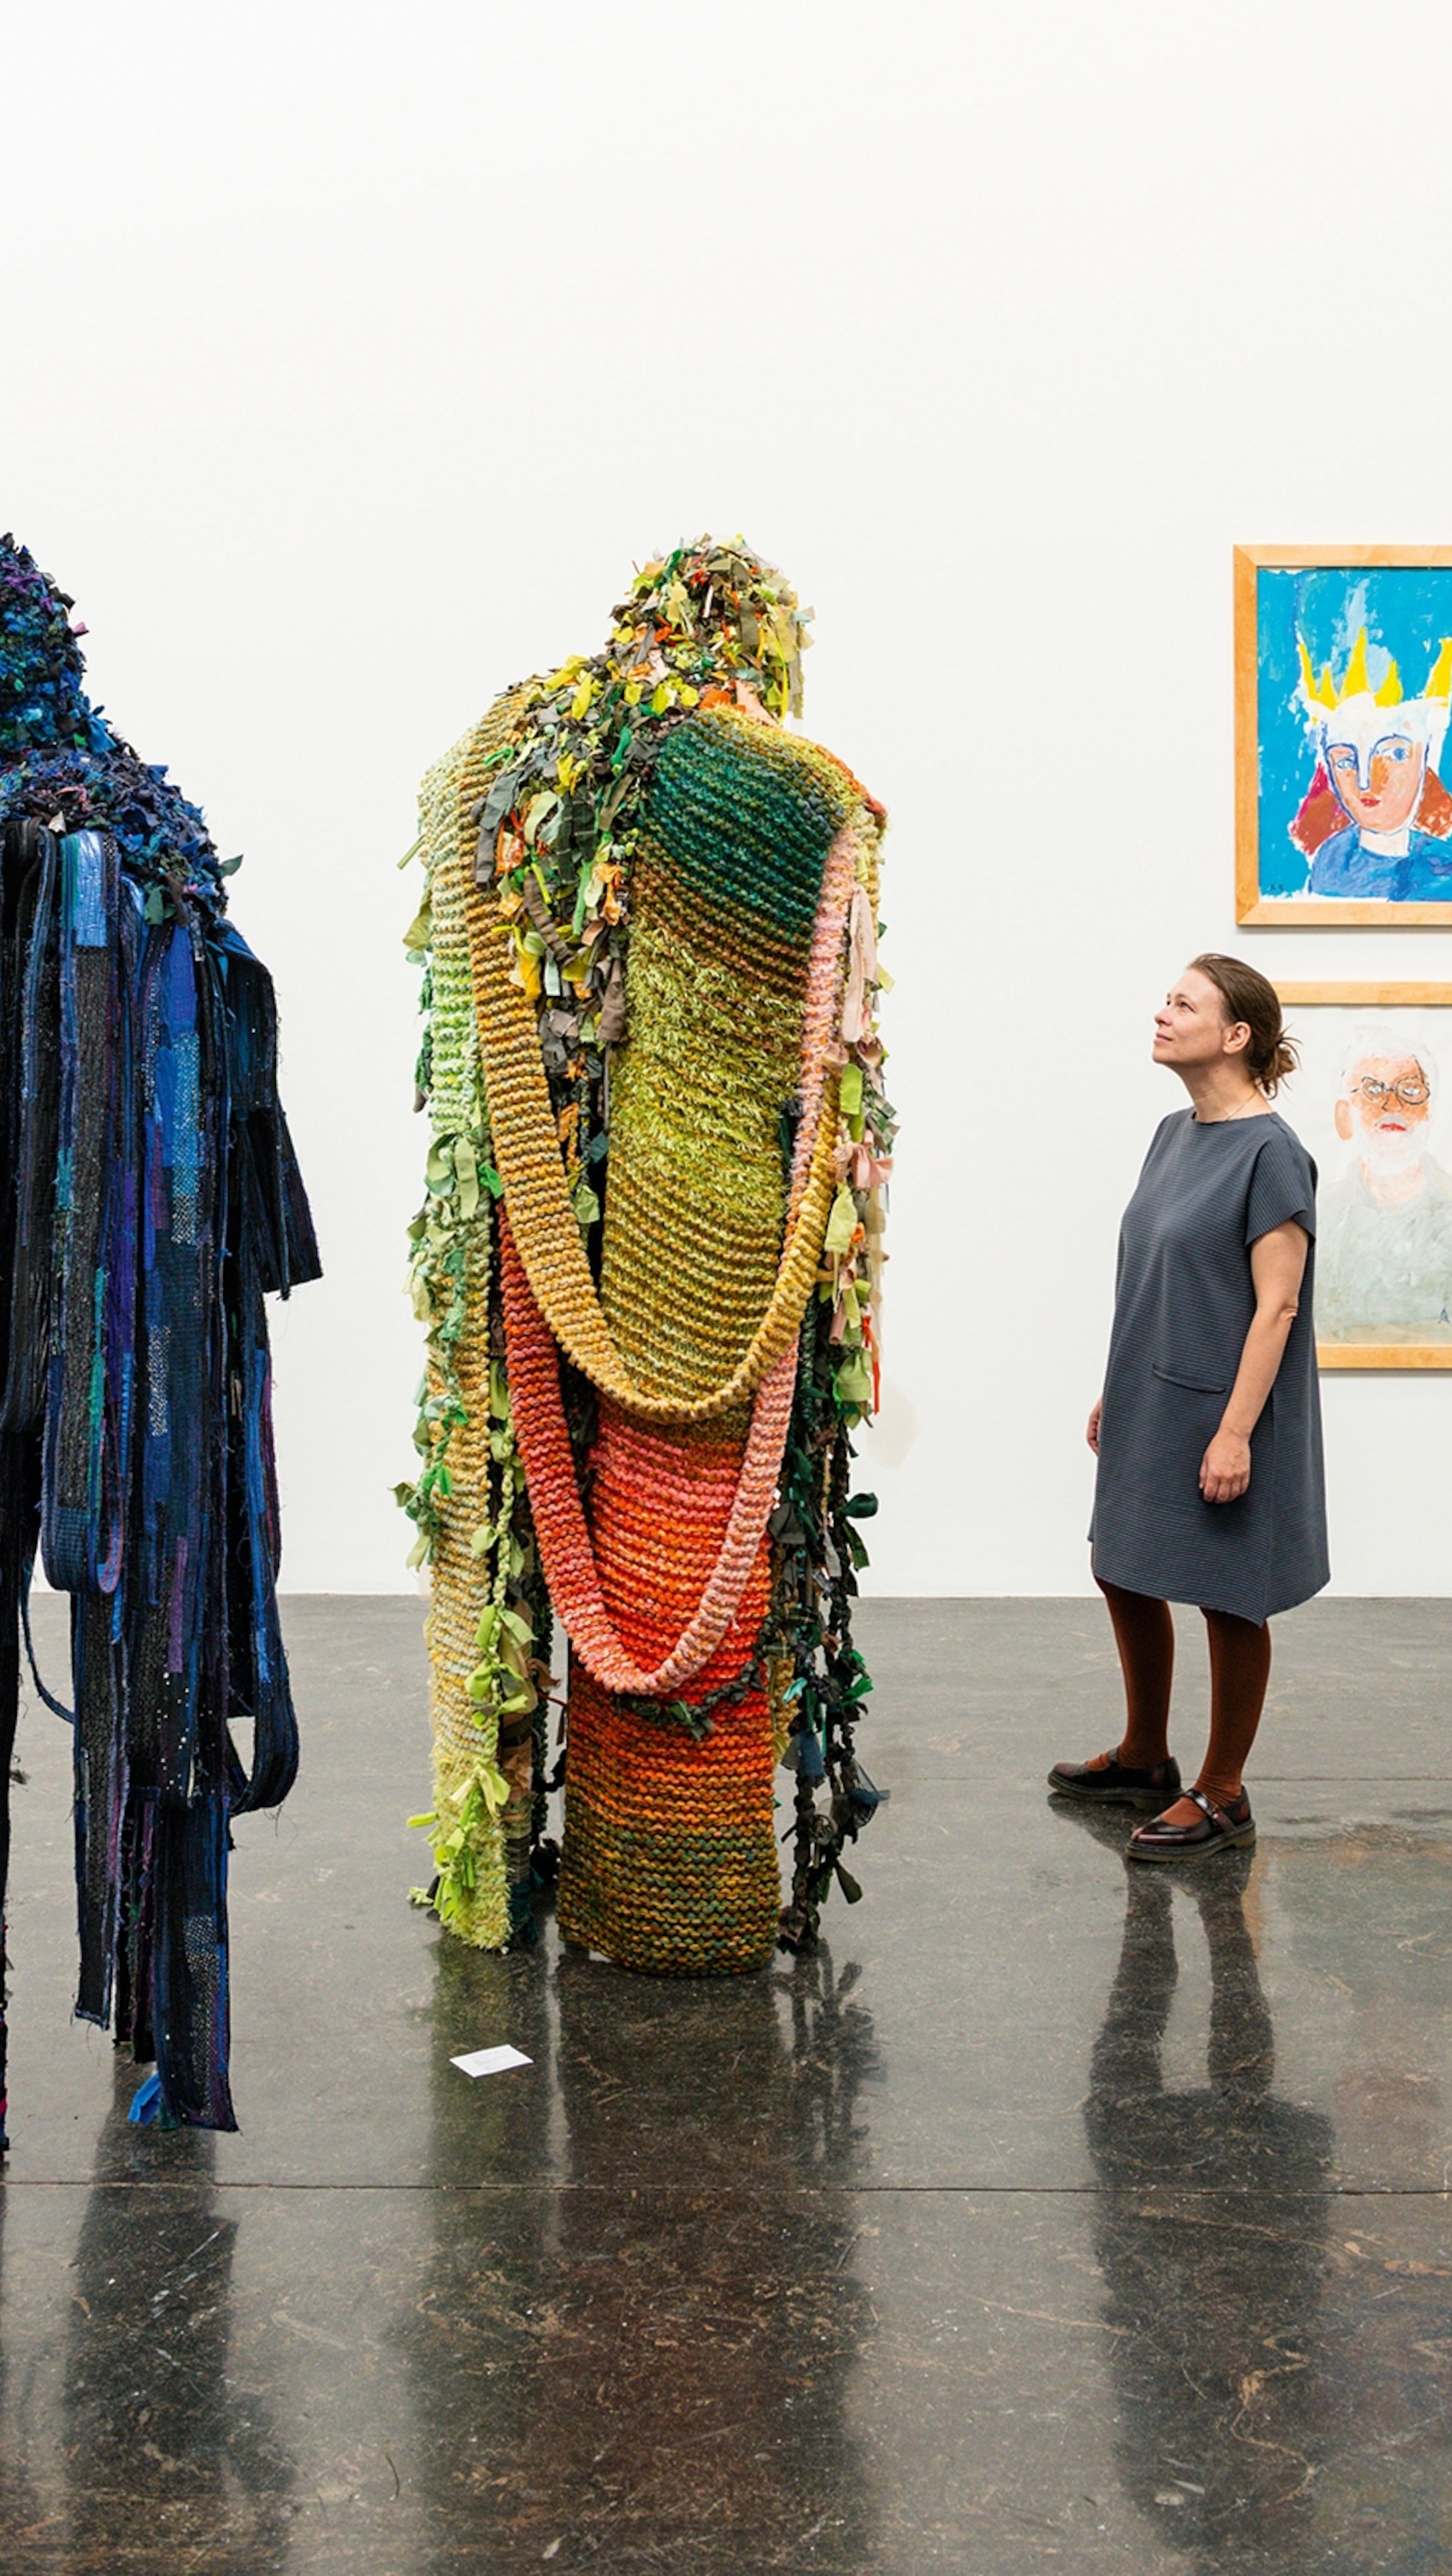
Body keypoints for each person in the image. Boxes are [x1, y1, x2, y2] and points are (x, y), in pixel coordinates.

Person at [0, 534, 319, 2152]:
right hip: (104, 1361)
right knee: (122, 1677)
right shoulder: (143, 833)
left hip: (18, 1371)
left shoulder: (19, 843)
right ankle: (140, 2037)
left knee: (3, 1686)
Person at [402, 538, 891, 1970]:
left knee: (538, 1545)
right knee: (695, 1568)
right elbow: (837, 1070)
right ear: (761, 642)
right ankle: (675, 1900)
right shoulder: (796, 792)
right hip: (722, 1248)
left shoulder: (500, 761)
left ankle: (526, 1869)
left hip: (539, 1233)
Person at [1050, 955, 1328, 1858]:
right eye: (1165, 1000)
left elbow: (1276, 1306)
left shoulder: (1273, 1154)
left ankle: (1222, 1792)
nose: (1160, 1013)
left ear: (1235, 1036)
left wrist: (1235, 1433)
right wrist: (1116, 1384)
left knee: (1226, 1595)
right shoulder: (1171, 1133)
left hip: (1222, 1405)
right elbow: (1161, 1275)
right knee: (1118, 1564)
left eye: (1182, 1003)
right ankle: (1142, 1755)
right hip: (1151, 1389)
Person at [1292, 625, 1452, 900]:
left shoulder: (1447, 872)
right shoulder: (1329, 866)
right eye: (1345, 761)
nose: (1366, 781)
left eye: (1395, 755)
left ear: (1426, 756)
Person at [1318, 1034, 1452, 1343]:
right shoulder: (1320, 1219)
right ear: (1344, 1114)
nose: (1393, 1105)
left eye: (1410, 1090)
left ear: (1430, 1113)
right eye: (1374, 1090)